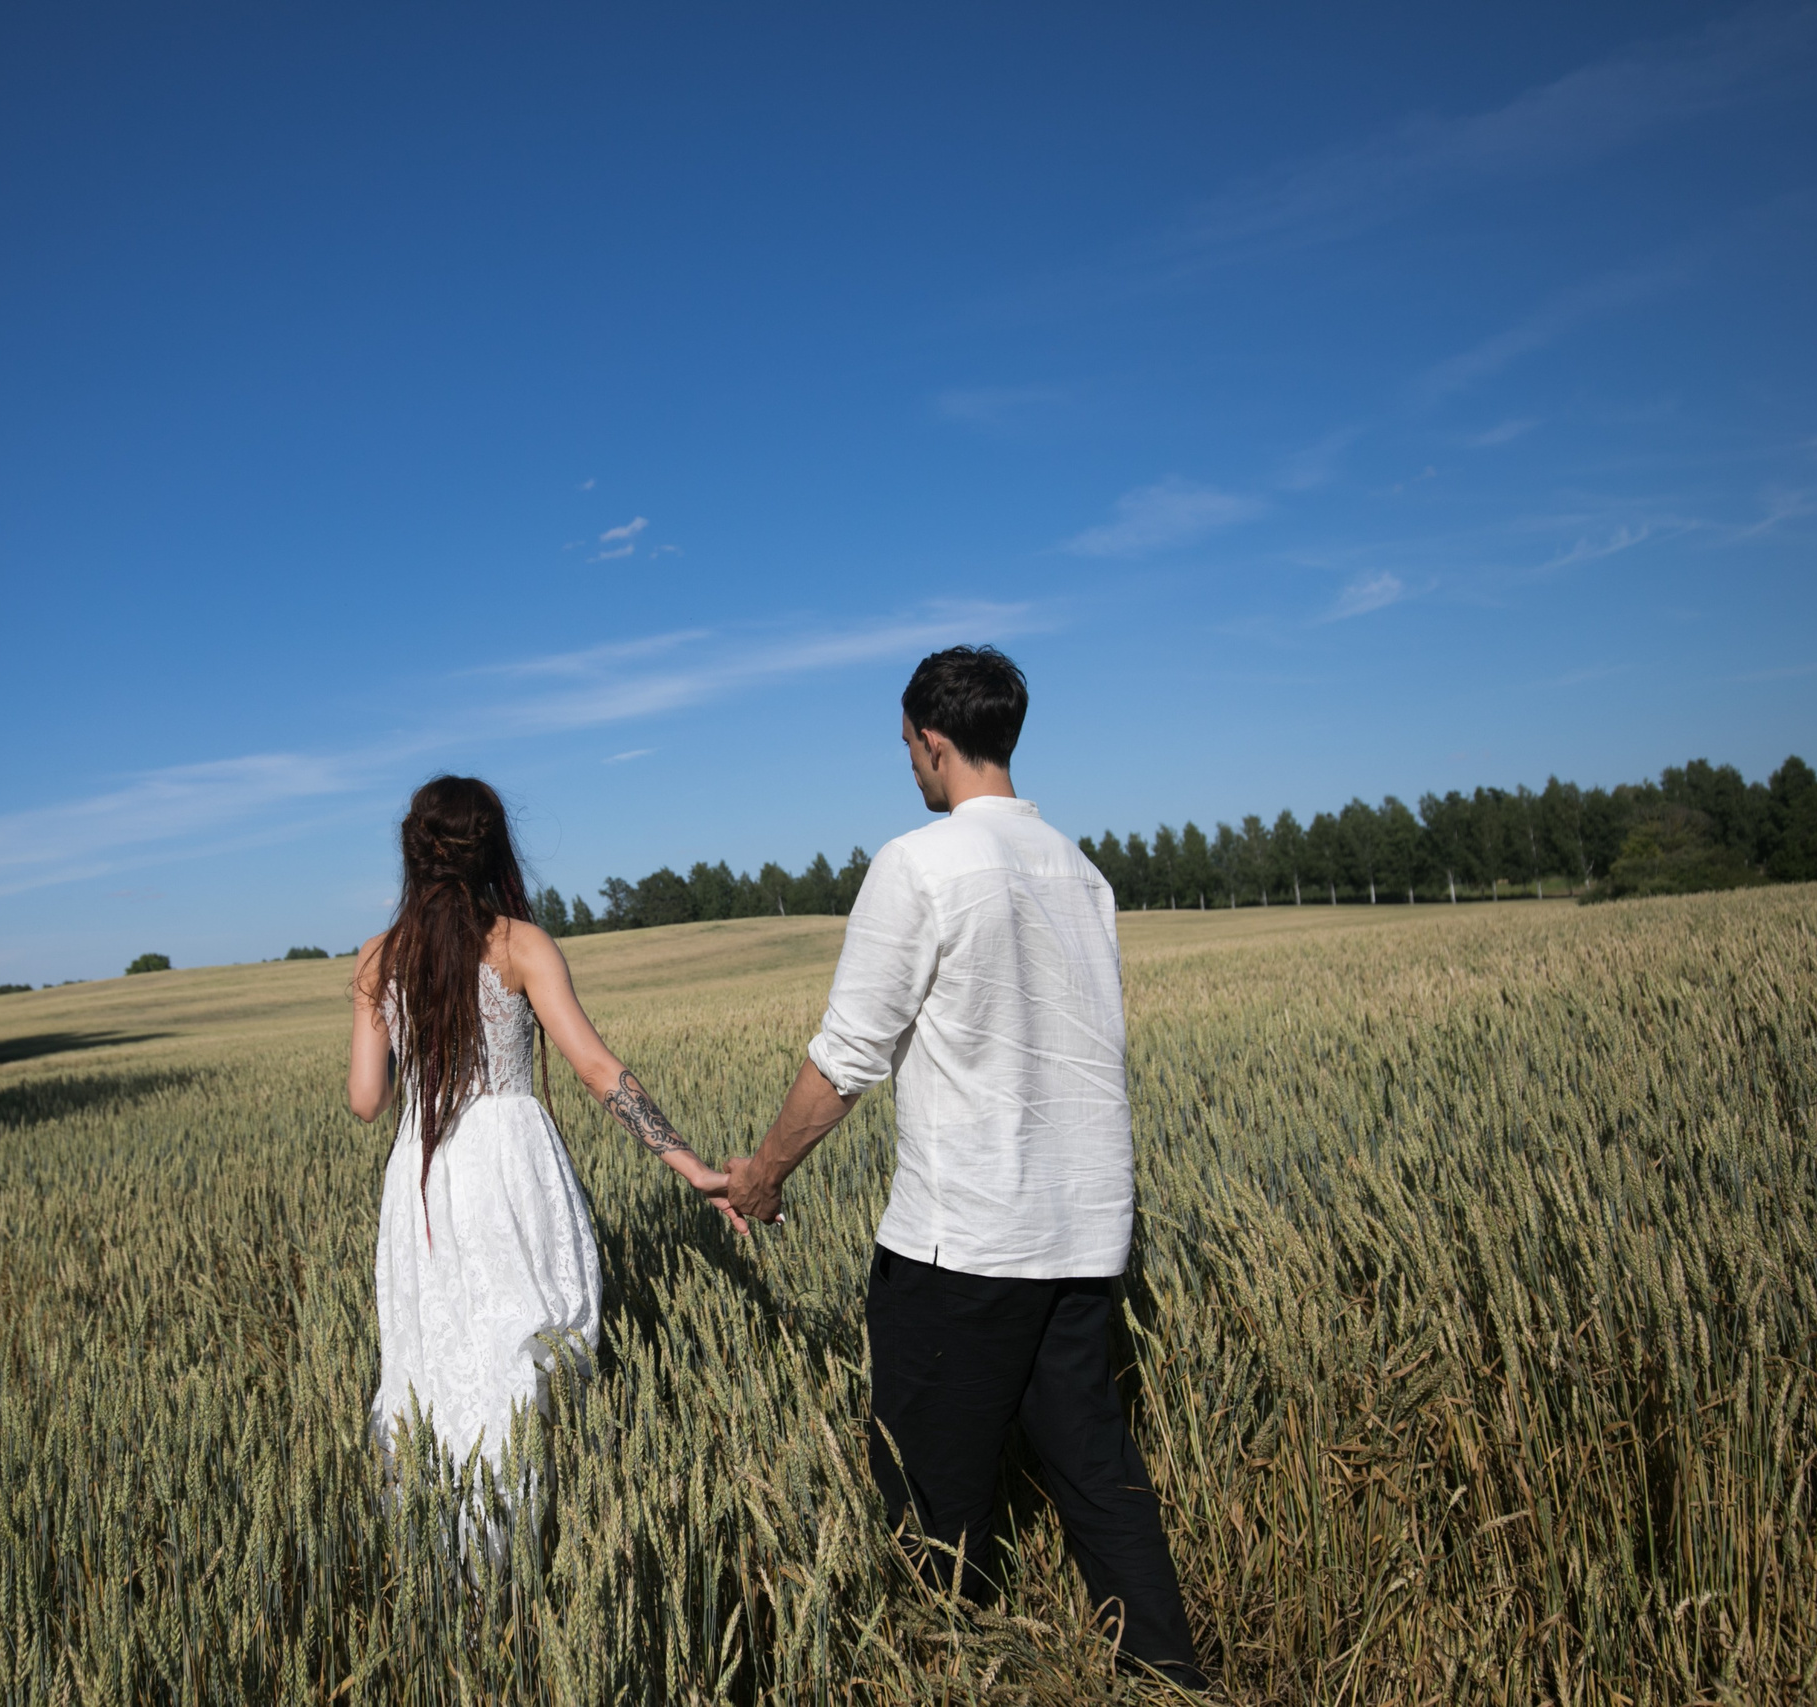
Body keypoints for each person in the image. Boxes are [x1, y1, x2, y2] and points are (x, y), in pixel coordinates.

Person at [724, 646, 1206, 1688]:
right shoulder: (1080, 873)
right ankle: (1170, 1675)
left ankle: (953, 1673)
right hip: (1084, 1236)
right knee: (1096, 1471)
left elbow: (848, 1057)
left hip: (964, 1242)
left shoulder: (919, 864)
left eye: (907, 745)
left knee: (931, 1501)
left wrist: (763, 1173)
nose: (908, 763)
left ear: (934, 743)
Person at [349, 774, 734, 1478]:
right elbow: (595, 1067)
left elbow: (368, 1099)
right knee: (523, 1342)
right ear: (492, 848)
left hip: (423, 1170)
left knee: (438, 1347)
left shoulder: (379, 956)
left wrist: (422, 1040)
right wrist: (694, 1167)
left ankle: (447, 1512)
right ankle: (537, 1501)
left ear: (415, 851)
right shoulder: (521, 945)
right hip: (509, 1161)